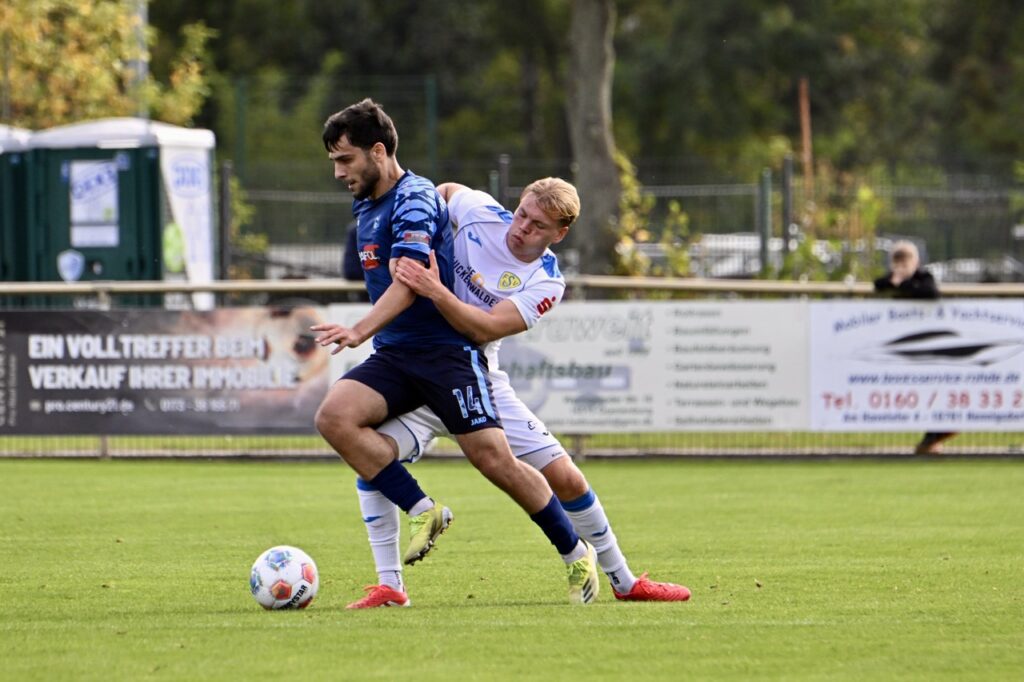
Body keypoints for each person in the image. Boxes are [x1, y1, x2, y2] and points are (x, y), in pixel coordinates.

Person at [346, 178, 692, 608]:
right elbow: (446, 190)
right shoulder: (480, 212)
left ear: (559, 234)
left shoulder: (546, 281)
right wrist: (422, 223)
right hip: (422, 369)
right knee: (371, 458)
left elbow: (486, 328)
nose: (522, 227)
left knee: (566, 477)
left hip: (478, 375)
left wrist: (435, 290)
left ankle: (624, 581)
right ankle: (391, 586)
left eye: (537, 225)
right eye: (522, 213)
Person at [311, 99, 599, 606]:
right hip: (398, 353)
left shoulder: (412, 199)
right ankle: (420, 515)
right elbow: (448, 197)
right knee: (335, 419)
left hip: (446, 354)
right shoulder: (373, 200)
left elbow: (410, 282)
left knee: (495, 461)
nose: (338, 172)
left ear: (377, 152)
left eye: (344, 160)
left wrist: (357, 331)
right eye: (334, 161)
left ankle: (576, 553)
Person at [873, 240, 956, 454]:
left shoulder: (924, 278)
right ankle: (930, 442)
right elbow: (878, 285)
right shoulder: (889, 279)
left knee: (934, 389)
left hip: (927, 347)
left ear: (916, 262)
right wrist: (896, 280)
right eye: (898, 261)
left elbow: (930, 293)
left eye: (906, 261)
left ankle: (933, 437)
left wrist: (902, 284)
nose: (902, 265)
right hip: (896, 348)